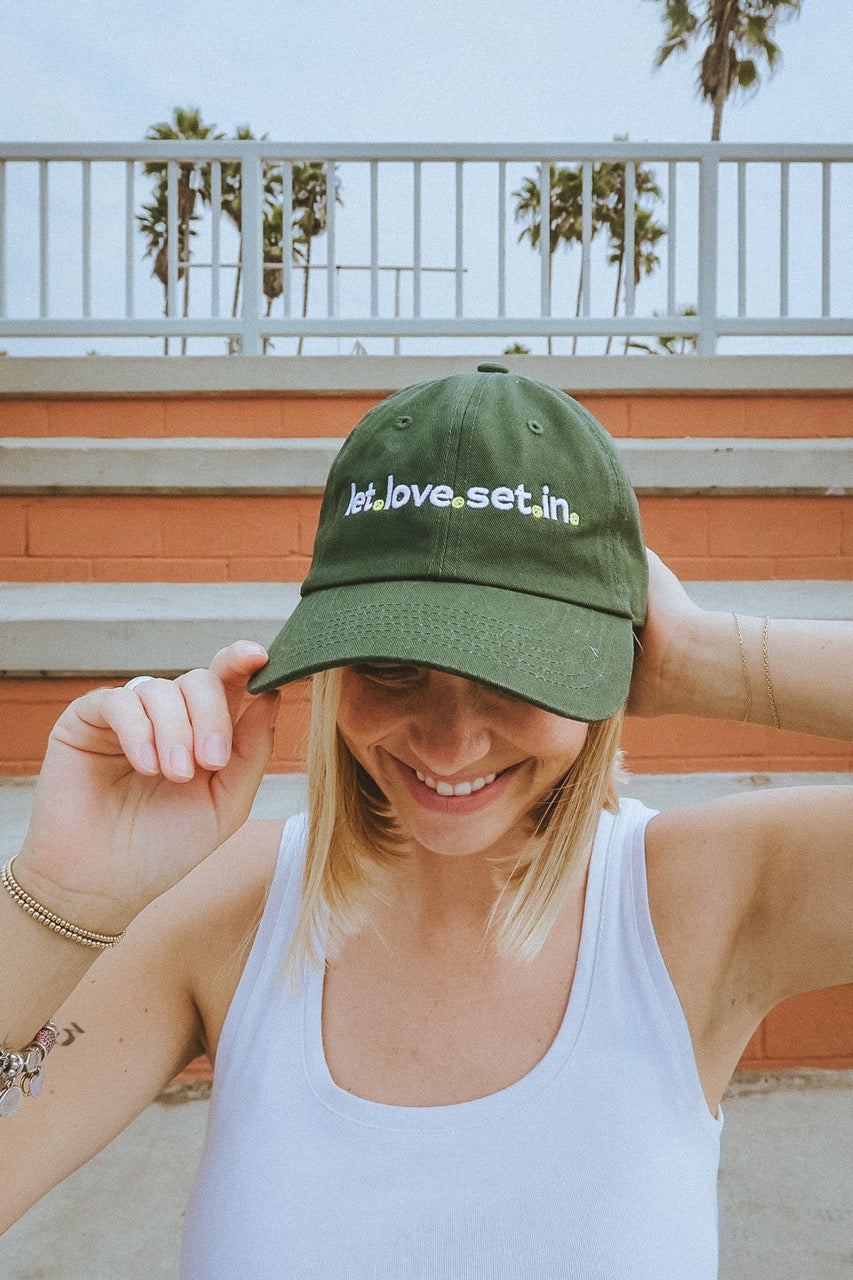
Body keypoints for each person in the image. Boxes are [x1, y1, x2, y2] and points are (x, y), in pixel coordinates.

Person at [0, 366, 850, 1278]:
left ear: (609, 668)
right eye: (393, 668)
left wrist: (713, 659)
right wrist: (56, 900)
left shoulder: (705, 901)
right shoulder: (221, 910)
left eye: (515, 674)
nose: (449, 744)